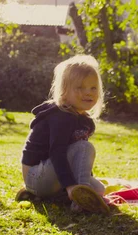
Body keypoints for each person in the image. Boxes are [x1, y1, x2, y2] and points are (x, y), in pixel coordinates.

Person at [16, 55, 110, 214]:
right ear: (64, 92)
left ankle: (62, 195)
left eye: (93, 88)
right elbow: (57, 154)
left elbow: (79, 159)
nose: (88, 93)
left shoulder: (84, 120)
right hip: (37, 176)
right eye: (80, 87)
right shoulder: (61, 116)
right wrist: (71, 186)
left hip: (51, 175)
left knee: (100, 189)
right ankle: (77, 200)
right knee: (85, 147)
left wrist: (84, 180)